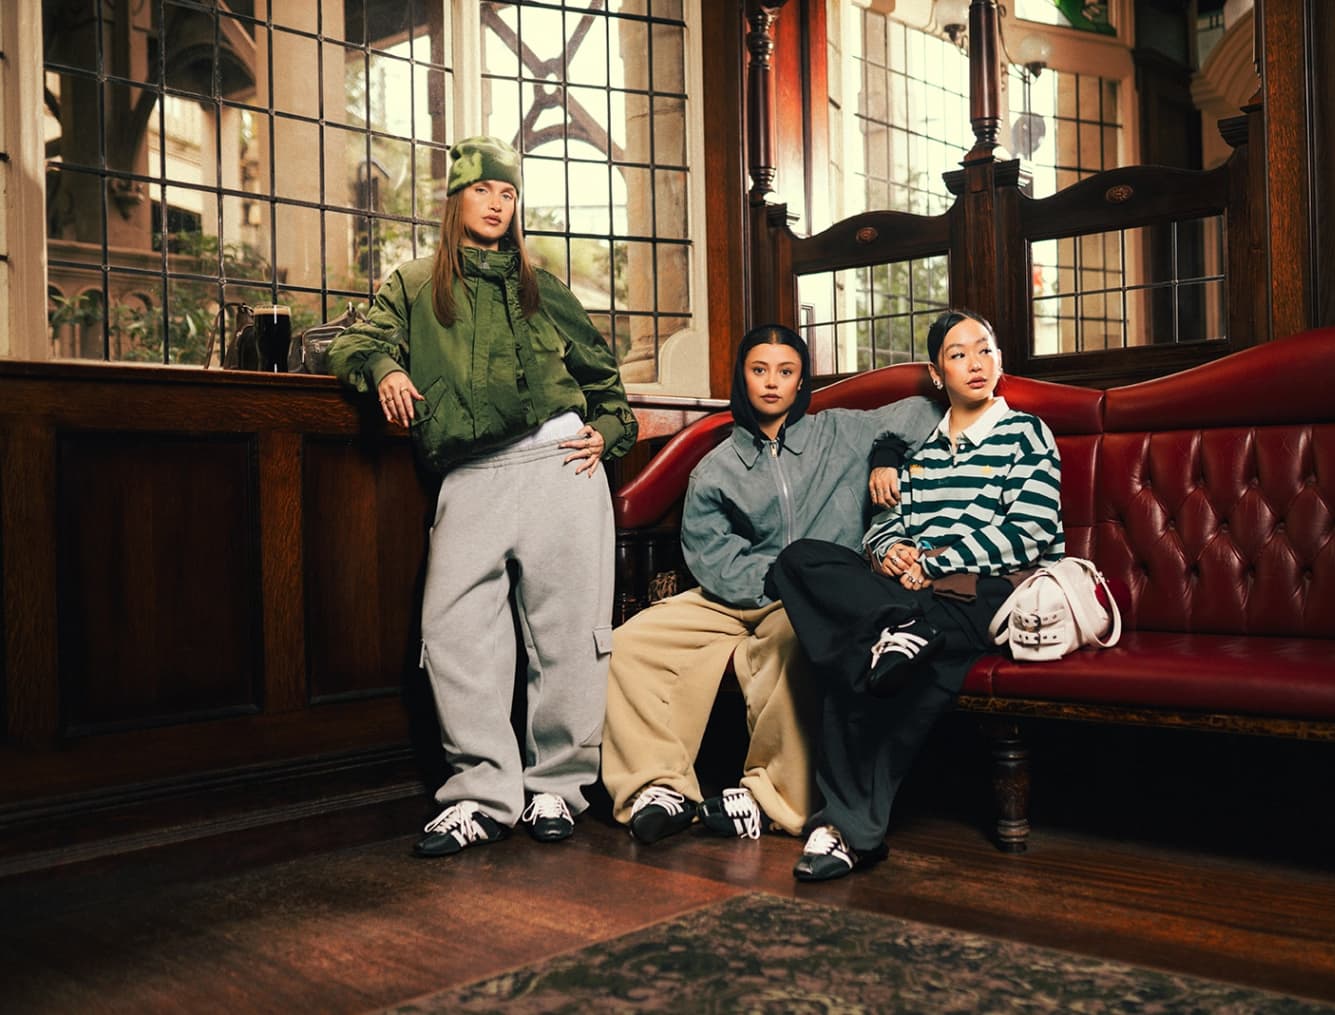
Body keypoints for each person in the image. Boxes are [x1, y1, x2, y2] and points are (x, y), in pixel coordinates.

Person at [328, 136, 637, 857]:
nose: (497, 204)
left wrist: (610, 431)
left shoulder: (543, 286)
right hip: (469, 473)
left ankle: (558, 788)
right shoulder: (412, 282)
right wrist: (383, 370)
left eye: (508, 194)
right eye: (483, 191)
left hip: (562, 465)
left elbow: (606, 381)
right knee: (456, 635)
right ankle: (482, 795)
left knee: (569, 636)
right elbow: (354, 342)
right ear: (455, 200)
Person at [602, 324, 942, 845]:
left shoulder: (840, 432)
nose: (771, 384)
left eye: (785, 373)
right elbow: (710, 552)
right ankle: (657, 785)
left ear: (801, 381)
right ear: (743, 377)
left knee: (796, 641)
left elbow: (923, 411)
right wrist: (771, 580)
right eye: (759, 370)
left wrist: (885, 455)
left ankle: (770, 799)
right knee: (630, 643)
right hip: (733, 594)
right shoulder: (715, 468)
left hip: (811, 597)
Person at [767, 309, 1064, 881]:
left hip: (985, 593)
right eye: (958, 354)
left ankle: (845, 831)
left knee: (858, 660)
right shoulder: (920, 456)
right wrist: (889, 552)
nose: (976, 363)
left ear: (1000, 360)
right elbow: (881, 527)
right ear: (937, 374)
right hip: (914, 598)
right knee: (797, 560)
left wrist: (932, 563)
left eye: (985, 349)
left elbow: (1026, 533)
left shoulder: (1026, 433)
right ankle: (899, 627)